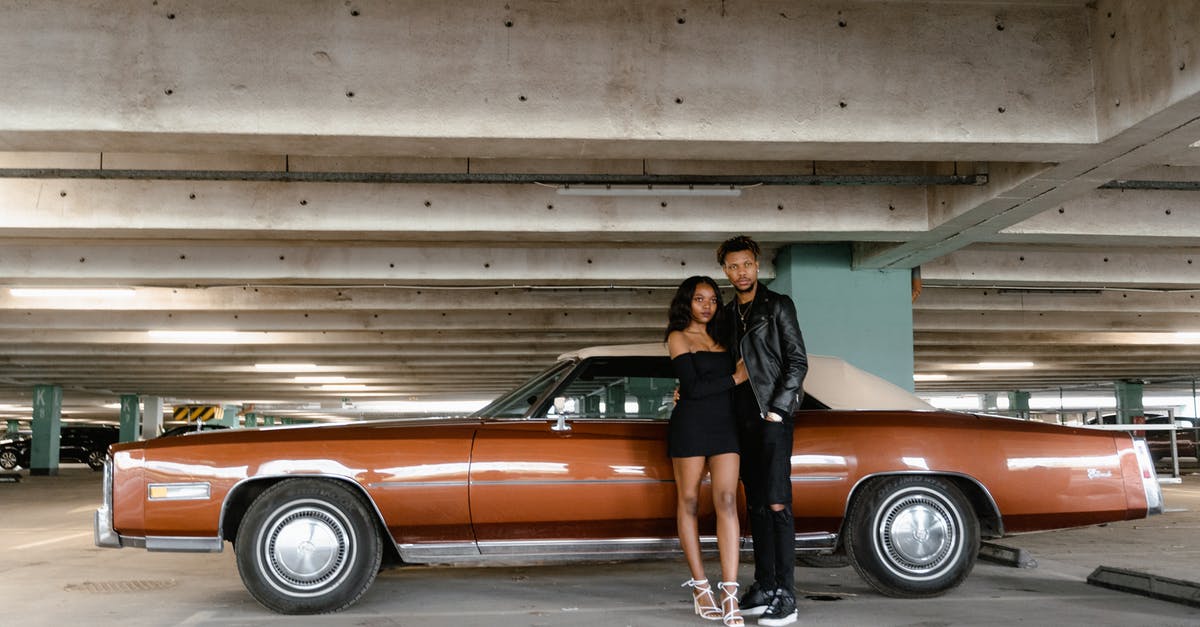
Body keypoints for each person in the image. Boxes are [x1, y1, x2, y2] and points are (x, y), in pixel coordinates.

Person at [718, 236, 807, 627]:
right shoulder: (723, 316)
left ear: (758, 265)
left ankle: (786, 593)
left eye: (747, 265)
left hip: (771, 416)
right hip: (738, 422)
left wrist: (778, 411)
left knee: (776, 503)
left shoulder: (777, 306)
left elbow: (797, 362)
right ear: (726, 270)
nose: (741, 273)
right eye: (733, 266)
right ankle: (765, 584)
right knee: (754, 505)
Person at [665, 275, 749, 626]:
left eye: (713, 300)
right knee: (688, 502)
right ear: (687, 301)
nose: (707, 306)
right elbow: (694, 388)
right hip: (691, 424)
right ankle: (701, 587)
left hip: (725, 425)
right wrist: (735, 378)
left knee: (727, 501)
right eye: (700, 299)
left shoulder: (725, 336)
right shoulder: (677, 337)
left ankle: (729, 593)